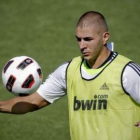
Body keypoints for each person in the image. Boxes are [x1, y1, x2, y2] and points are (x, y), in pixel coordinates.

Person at [0, 11, 140, 140]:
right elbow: (33, 101)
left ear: (105, 37)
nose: (82, 46)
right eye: (78, 39)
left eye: (88, 39)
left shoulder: (126, 71)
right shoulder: (68, 71)